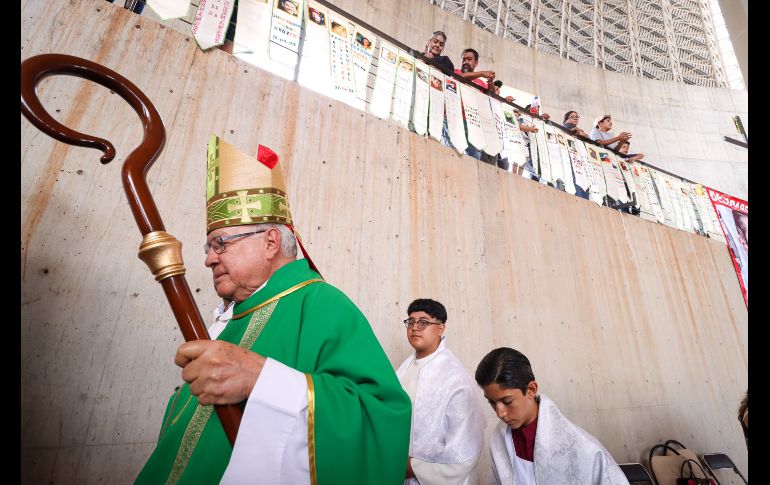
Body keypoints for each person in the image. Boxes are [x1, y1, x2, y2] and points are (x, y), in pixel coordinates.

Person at [135, 135, 412, 485]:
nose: (208, 258)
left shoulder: (320, 303)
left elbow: (381, 419)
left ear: (270, 242)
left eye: (220, 243)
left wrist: (259, 378)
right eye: (208, 245)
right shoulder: (229, 317)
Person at [475, 347, 629, 484]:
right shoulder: (499, 439)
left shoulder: (582, 448)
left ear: (531, 389)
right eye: (492, 403)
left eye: (507, 401)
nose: (499, 413)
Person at [396, 299, 485, 485]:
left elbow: (465, 452)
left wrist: (412, 468)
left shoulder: (455, 380)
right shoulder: (402, 371)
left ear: (440, 329)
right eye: (410, 322)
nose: (415, 328)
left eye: (424, 322)